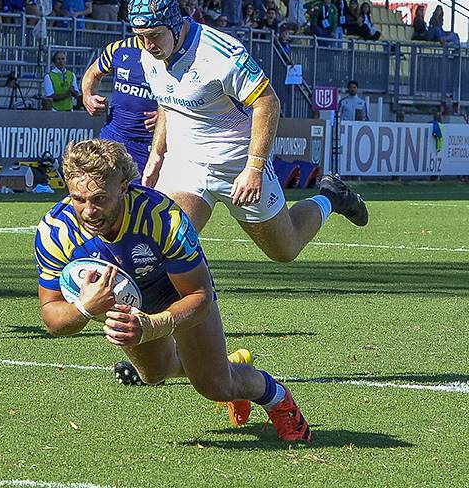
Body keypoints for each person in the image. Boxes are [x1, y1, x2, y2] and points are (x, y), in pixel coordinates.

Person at [35, 139, 311, 442]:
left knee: (215, 385)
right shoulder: (55, 232)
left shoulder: (164, 218)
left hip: (177, 292)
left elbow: (200, 296)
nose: (89, 211)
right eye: (78, 199)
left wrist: (154, 324)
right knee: (153, 374)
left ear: (124, 188)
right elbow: (52, 317)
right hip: (128, 304)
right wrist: (84, 308)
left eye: (100, 199)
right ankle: (218, 362)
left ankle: (277, 398)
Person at [127, 0, 368, 265]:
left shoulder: (220, 54)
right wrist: (157, 154)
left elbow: (267, 102)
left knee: (284, 250)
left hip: (238, 164)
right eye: (140, 37)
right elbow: (167, 100)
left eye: (153, 36)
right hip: (185, 164)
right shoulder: (148, 52)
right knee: (161, 249)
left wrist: (253, 168)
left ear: (174, 23)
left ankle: (331, 197)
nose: (147, 45)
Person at [81, 38, 157, 174]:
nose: (146, 38)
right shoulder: (118, 48)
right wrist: (88, 95)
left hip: (152, 142)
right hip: (114, 136)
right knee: (103, 187)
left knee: (145, 191)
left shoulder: (172, 52)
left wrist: (167, 115)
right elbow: (93, 73)